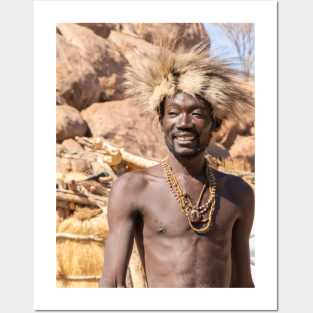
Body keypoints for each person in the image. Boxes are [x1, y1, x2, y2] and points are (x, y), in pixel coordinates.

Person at [100, 41, 254, 288]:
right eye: (173, 113)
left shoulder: (237, 193)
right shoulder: (133, 188)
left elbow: (243, 284)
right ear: (160, 120)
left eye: (197, 114)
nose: (184, 123)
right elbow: (112, 282)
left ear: (215, 124)